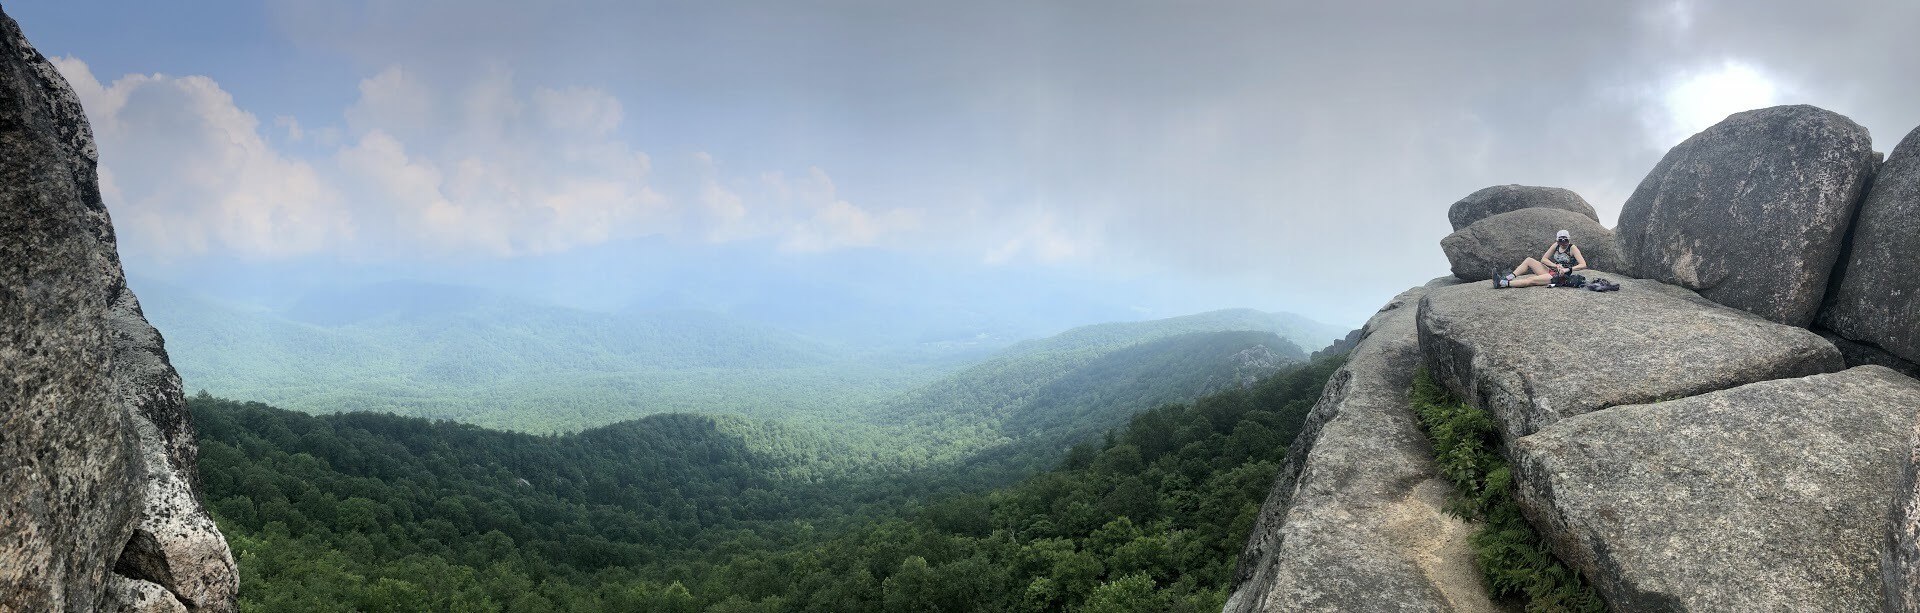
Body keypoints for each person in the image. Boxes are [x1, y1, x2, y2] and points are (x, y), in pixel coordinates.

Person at [1494, 229, 1587, 288]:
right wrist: (1556, 265)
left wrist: (1567, 269)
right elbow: (1544, 259)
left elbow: (1583, 264)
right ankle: (1508, 278)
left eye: (1565, 240)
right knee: (1529, 260)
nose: (1563, 243)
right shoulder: (1556, 246)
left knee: (1531, 280)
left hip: (1560, 277)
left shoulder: (1572, 248)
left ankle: (1502, 283)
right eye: (1560, 240)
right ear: (1557, 240)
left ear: (1569, 239)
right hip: (1552, 271)